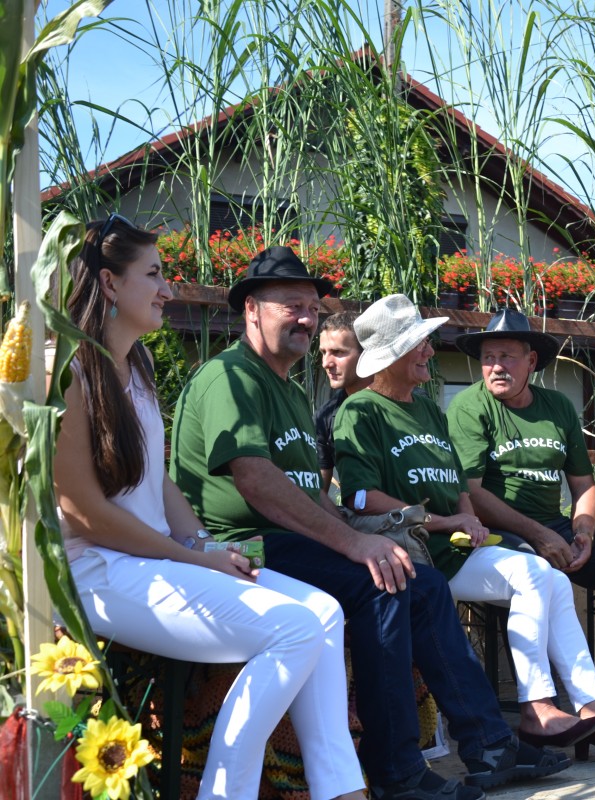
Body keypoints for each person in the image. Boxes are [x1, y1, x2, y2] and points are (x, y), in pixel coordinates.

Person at [170, 248, 568, 800]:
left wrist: (358, 534)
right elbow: (256, 481)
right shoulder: (230, 377)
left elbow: (312, 493)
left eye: (312, 308)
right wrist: (354, 541)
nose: (306, 318)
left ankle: (490, 744)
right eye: (291, 306)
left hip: (291, 541)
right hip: (240, 546)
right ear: (251, 310)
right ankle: (397, 772)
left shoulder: (288, 388)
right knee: (381, 583)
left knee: (423, 583)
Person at [55, 218, 365, 800]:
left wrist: (206, 545)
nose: (167, 289)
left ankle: (341, 790)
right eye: (154, 274)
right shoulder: (66, 371)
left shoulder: (137, 366)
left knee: (324, 612)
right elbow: (85, 515)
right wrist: (192, 558)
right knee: (294, 629)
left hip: (153, 562)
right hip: (98, 570)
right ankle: (224, 793)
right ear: (110, 282)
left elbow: (158, 485)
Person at [334, 296, 595, 765]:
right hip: (417, 551)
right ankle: (538, 709)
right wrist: (447, 520)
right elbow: (359, 498)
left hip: (458, 543)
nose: (430, 351)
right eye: (420, 345)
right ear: (393, 355)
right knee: (533, 573)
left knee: (551, 579)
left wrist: (465, 514)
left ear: (531, 362)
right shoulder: (361, 410)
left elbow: (458, 485)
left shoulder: (427, 409)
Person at [447, 309, 595, 732]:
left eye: (507, 357)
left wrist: (583, 530)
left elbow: (583, 485)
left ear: (531, 361)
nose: (496, 366)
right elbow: (472, 494)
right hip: (494, 533)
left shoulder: (557, 407)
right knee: (535, 570)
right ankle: (545, 701)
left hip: (554, 525)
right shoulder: (469, 406)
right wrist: (537, 535)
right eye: (488, 357)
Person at [316, 311, 371, 493]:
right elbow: (318, 492)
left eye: (338, 352)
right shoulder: (325, 416)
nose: (326, 363)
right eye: (323, 352)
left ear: (366, 354)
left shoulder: (410, 402)